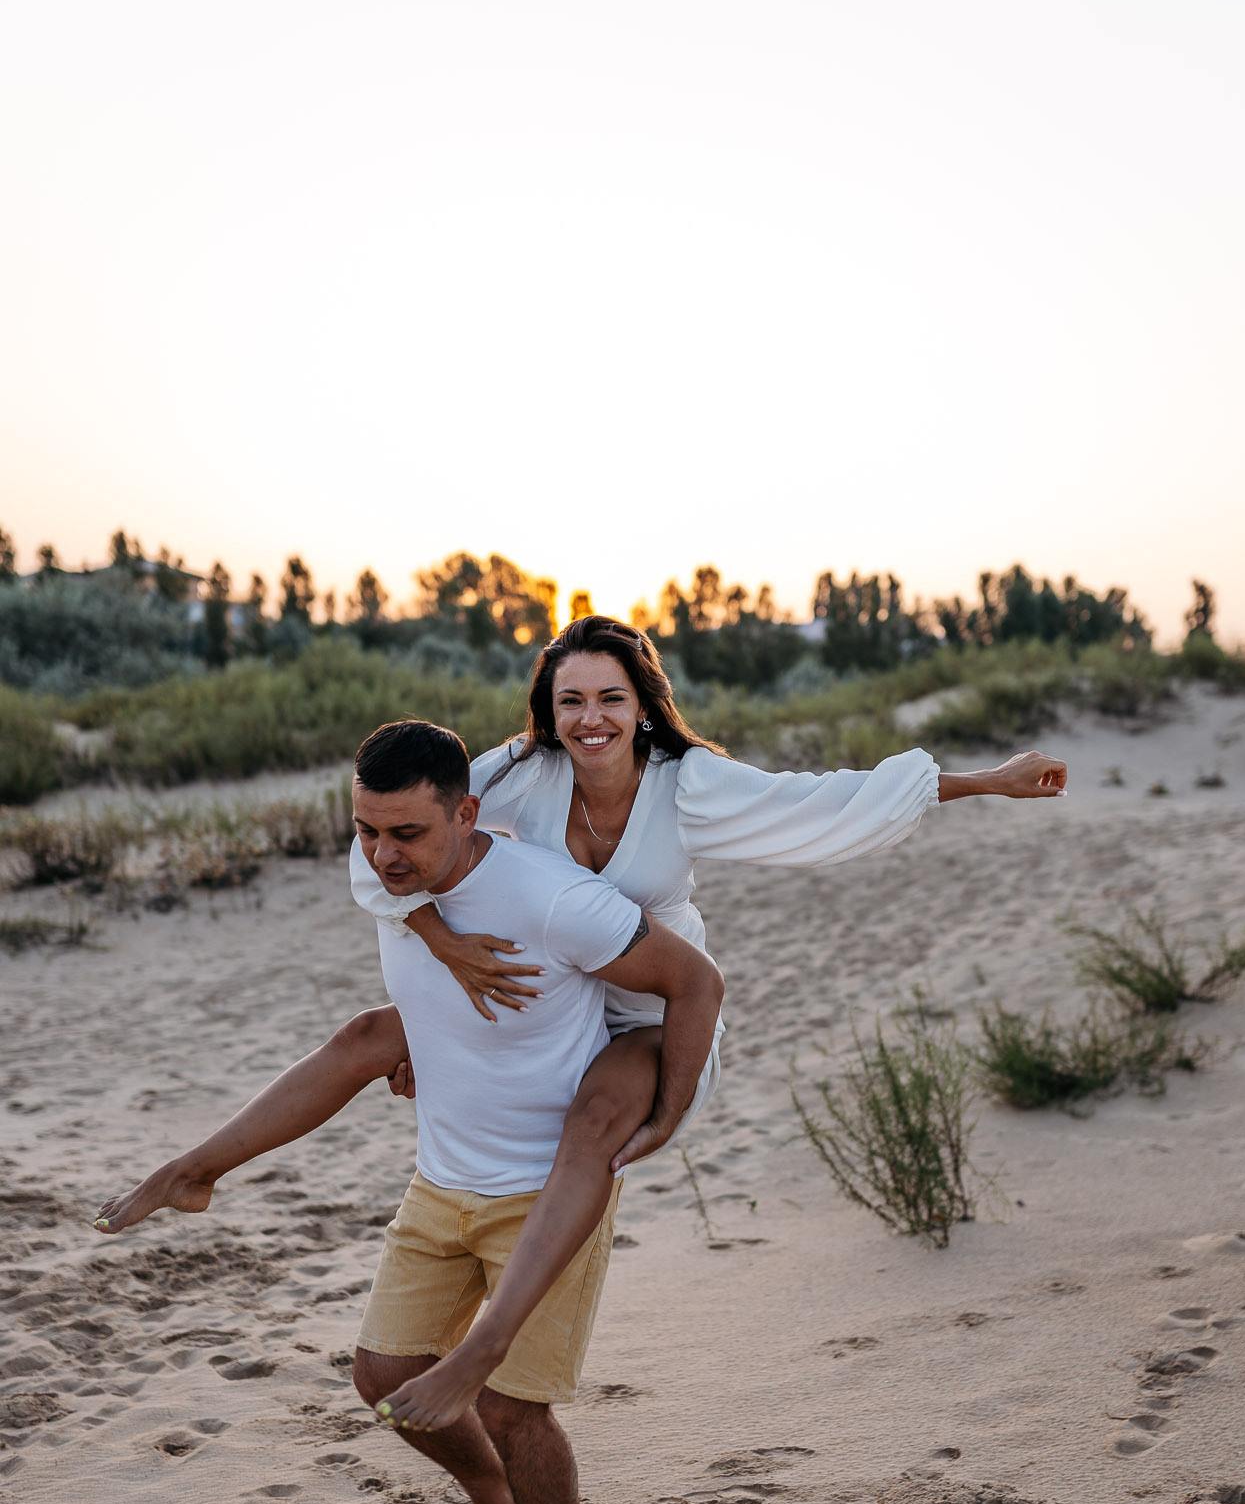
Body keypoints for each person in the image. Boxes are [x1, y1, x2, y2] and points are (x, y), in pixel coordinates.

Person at [96, 615, 1067, 1441]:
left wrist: (991, 777)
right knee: (368, 1036)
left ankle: (489, 1343)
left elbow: (821, 797)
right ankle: (196, 1169)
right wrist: (439, 940)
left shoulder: (688, 781)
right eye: (570, 701)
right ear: (547, 709)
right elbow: (391, 846)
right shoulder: (519, 773)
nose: (589, 718)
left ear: (641, 705)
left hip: (652, 1003)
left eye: (609, 698)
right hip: (554, 984)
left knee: (595, 1114)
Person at [104, 719, 724, 1504]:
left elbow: (694, 981)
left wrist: (670, 1107)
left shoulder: (557, 901)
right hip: (442, 1181)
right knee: (383, 1374)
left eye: (406, 834)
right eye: (365, 831)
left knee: (515, 1410)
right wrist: (201, 1163)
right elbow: (369, 1038)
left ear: (466, 814)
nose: (382, 855)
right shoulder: (397, 887)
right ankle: (494, 1500)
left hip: (546, 1191)